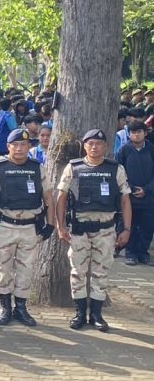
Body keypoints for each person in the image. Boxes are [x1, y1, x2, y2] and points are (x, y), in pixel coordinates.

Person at [56, 129, 132, 332]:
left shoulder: (116, 169)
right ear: (84, 146)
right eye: (90, 143)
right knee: (78, 272)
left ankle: (96, 315)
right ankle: (80, 313)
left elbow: (125, 200)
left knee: (101, 272)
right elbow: (61, 197)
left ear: (105, 146)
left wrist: (126, 229)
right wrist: (60, 226)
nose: (94, 147)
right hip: (79, 229)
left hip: (105, 230)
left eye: (99, 143)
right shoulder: (73, 167)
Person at [0, 128, 55, 326]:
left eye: (23, 145)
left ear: (29, 146)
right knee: (3, 267)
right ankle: (5, 307)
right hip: (4, 225)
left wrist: (51, 224)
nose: (19, 148)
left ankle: (21, 307)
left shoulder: (37, 168)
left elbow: (48, 197)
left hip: (30, 227)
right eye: (15, 145)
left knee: (26, 268)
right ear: (8, 146)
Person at [116, 121, 154, 265]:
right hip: (129, 196)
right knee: (129, 224)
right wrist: (131, 188)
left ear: (145, 133)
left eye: (139, 132)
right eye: (133, 132)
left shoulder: (151, 149)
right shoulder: (124, 150)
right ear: (129, 134)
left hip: (149, 196)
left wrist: (147, 189)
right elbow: (119, 173)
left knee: (147, 226)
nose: (136, 135)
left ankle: (143, 253)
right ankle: (130, 253)